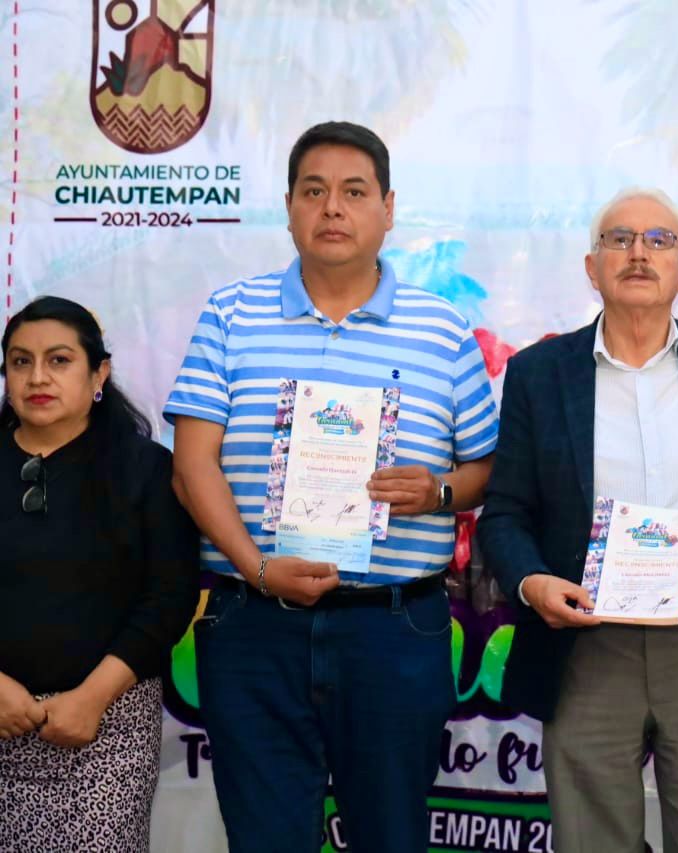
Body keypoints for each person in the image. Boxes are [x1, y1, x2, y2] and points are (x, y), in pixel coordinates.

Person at [165, 121, 498, 852]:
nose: (333, 209)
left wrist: (439, 492)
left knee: (392, 836)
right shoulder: (231, 314)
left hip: (393, 629)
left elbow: (485, 468)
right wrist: (258, 567)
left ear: (388, 208)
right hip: (253, 624)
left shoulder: (442, 330)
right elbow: (192, 466)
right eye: (314, 192)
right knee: (265, 838)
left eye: (354, 192)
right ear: (289, 207)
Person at [477, 187, 678, 853]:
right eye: (619, 239)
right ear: (592, 268)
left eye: (659, 240)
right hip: (585, 639)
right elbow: (504, 513)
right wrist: (532, 582)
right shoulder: (539, 374)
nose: (639, 252)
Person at [0, 296, 199, 851]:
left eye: (59, 360)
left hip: (105, 726)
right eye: (20, 361)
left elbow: (170, 596)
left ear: (99, 373)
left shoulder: (145, 469)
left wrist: (91, 698)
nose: (38, 377)